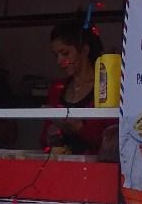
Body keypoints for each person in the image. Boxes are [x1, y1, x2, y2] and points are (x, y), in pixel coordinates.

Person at [40, 22, 114, 155]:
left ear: (84, 50)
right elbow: (43, 141)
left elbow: (113, 143)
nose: (59, 61)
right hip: (60, 168)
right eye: (56, 55)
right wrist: (50, 134)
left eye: (65, 53)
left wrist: (80, 129)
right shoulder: (56, 89)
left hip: (95, 169)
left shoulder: (106, 88)